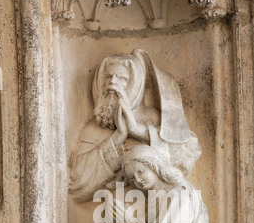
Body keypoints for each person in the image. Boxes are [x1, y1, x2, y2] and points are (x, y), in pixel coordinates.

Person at [68, 49, 201, 203]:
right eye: (108, 76)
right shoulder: (92, 128)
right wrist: (118, 137)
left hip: (157, 207)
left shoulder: (151, 118)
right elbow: (77, 184)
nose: (112, 82)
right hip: (113, 208)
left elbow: (188, 153)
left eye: (121, 78)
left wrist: (137, 130)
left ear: (133, 85)